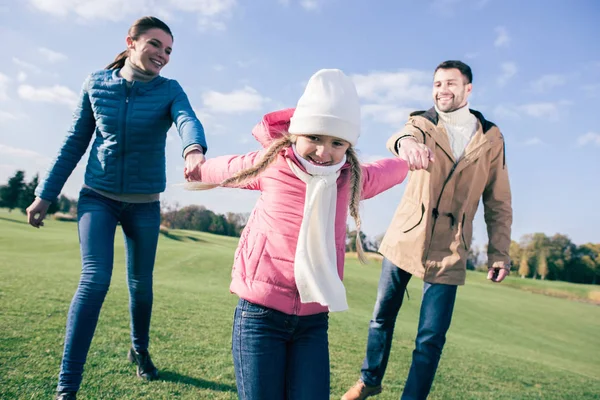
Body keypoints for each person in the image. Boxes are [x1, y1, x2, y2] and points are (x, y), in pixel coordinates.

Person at [187, 69, 417, 400]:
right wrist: (193, 163)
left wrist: (411, 158)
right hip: (260, 317)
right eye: (315, 138)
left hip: (312, 323)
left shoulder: (352, 179)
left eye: (337, 143)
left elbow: (390, 169)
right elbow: (221, 169)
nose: (324, 152)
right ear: (298, 133)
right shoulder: (271, 164)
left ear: (348, 145)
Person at [25, 16, 208, 400]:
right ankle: (66, 388)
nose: (163, 55)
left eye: (169, 50)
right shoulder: (97, 84)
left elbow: (187, 120)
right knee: (94, 280)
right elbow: (74, 142)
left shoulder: (170, 90)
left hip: (144, 206)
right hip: (98, 197)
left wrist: (193, 149)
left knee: (141, 287)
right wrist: (46, 193)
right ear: (131, 42)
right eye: (155, 45)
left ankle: (139, 350)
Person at [342, 60, 513, 400]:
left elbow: (498, 200)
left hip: (452, 246)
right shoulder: (422, 122)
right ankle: (369, 380)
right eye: (436, 84)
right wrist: (407, 146)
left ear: (468, 89)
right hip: (408, 235)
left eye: (450, 83)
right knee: (381, 317)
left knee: (431, 337)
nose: (441, 90)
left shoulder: (491, 138)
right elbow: (403, 136)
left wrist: (500, 253)